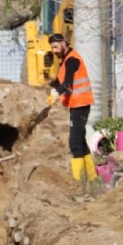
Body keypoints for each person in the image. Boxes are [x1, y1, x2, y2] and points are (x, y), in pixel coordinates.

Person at [46, 33, 97, 183]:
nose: (54, 50)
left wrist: (57, 92)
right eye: (52, 48)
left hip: (80, 104)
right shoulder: (66, 60)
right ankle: (92, 179)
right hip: (78, 104)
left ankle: (79, 181)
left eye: (56, 46)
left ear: (64, 43)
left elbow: (68, 85)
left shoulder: (71, 60)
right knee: (80, 141)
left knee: (74, 143)